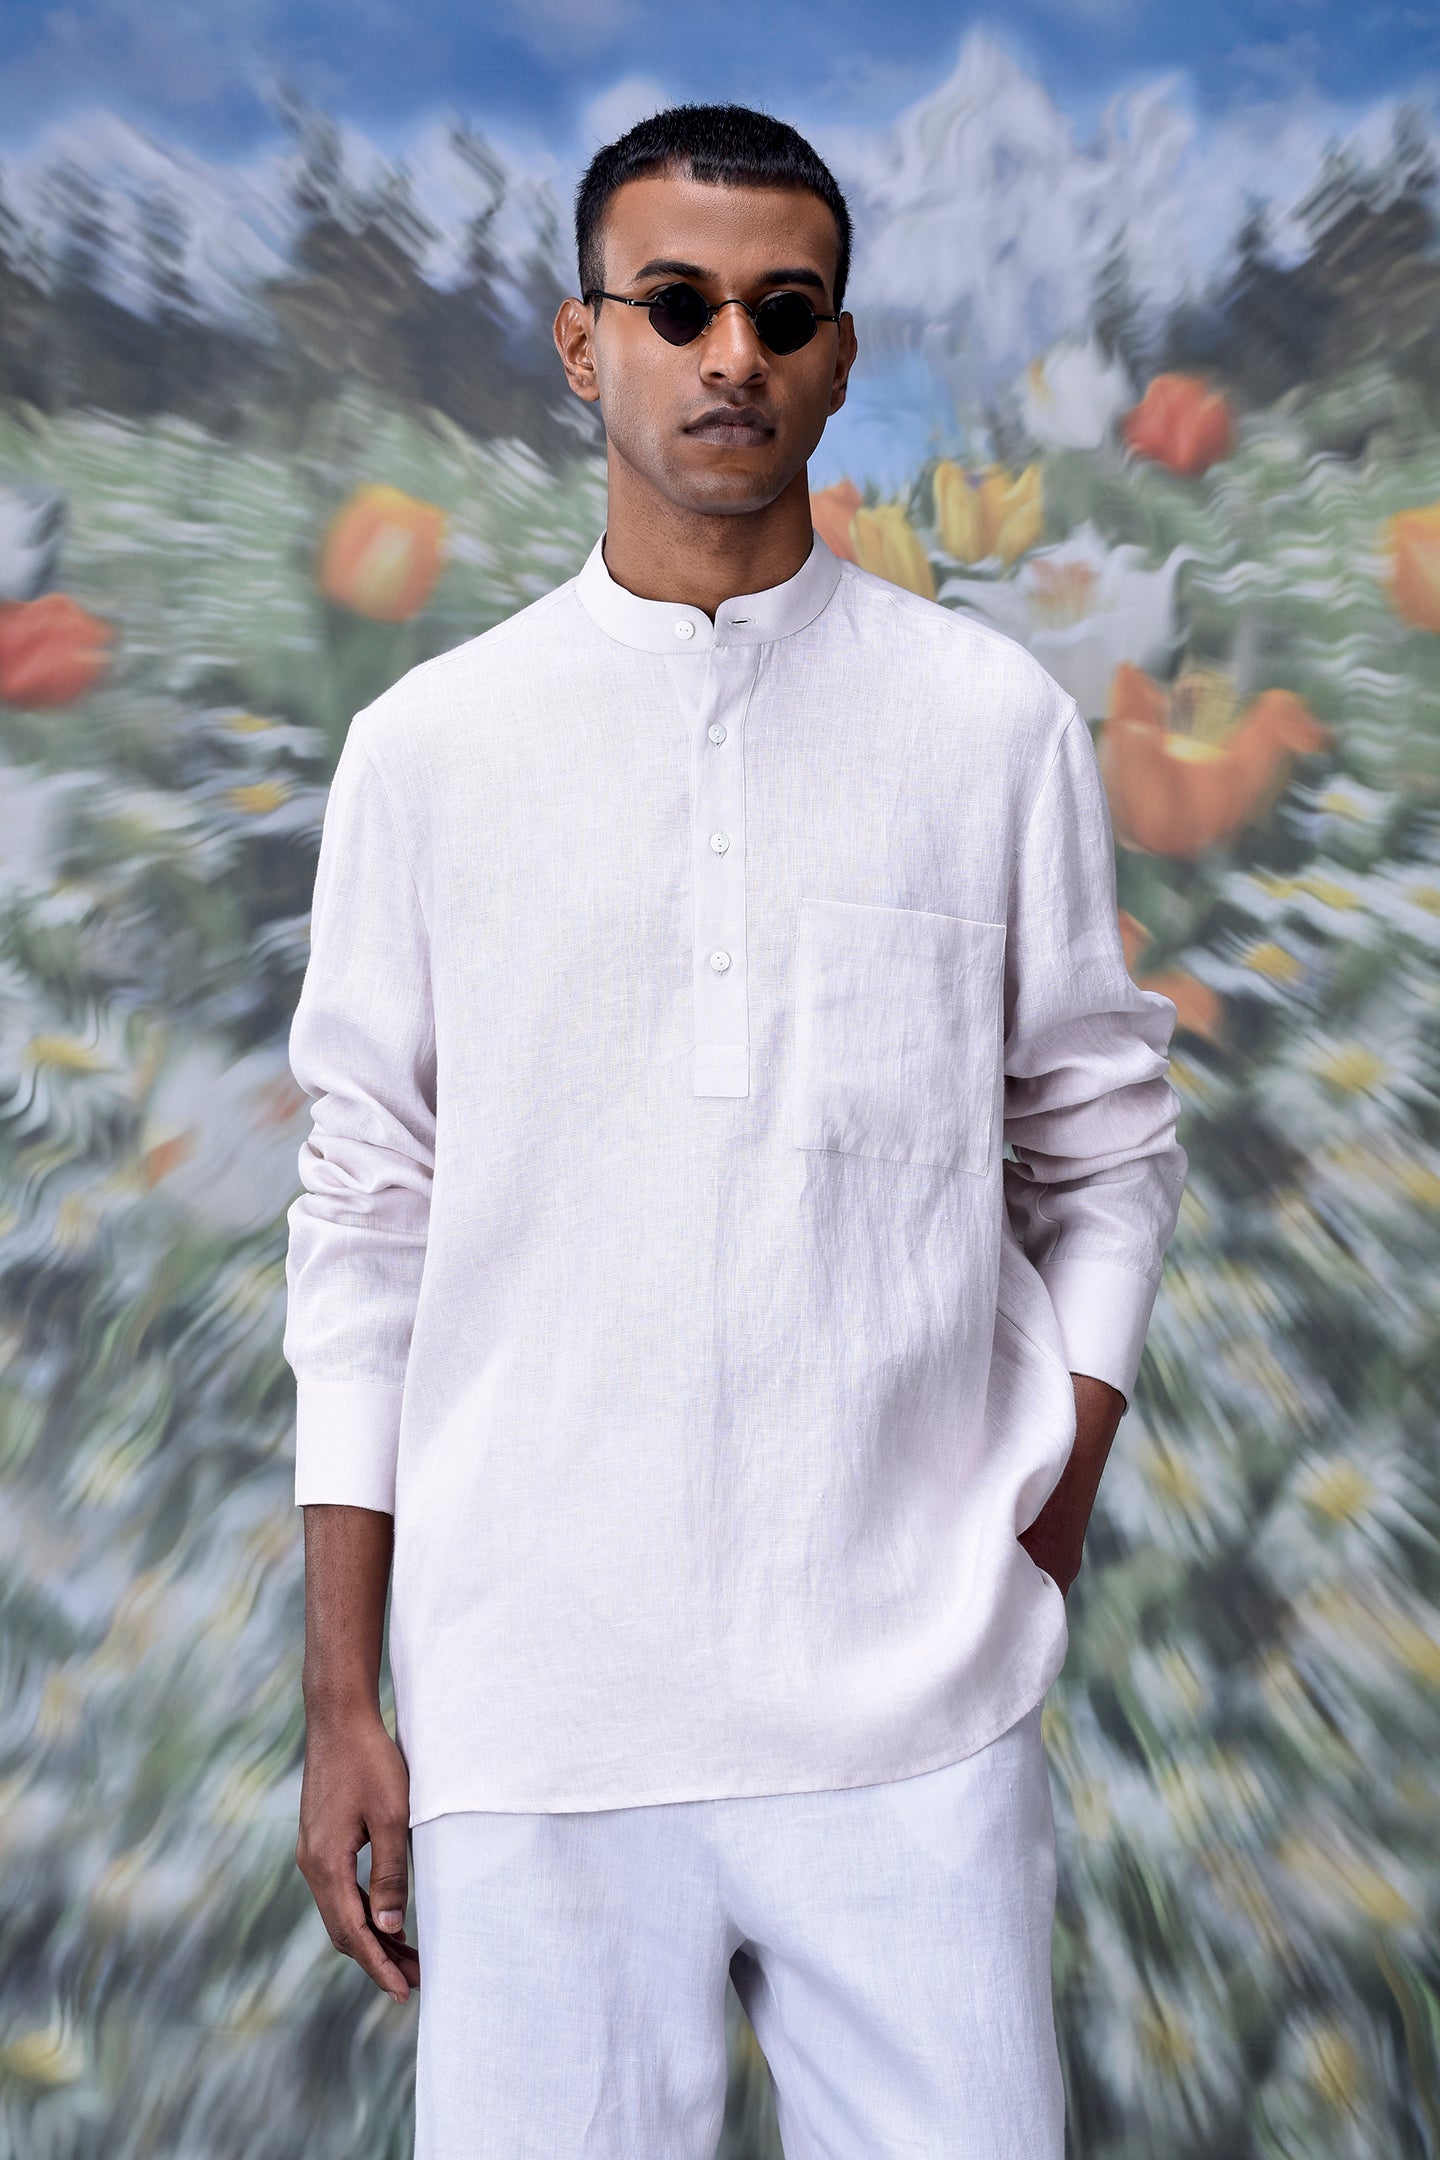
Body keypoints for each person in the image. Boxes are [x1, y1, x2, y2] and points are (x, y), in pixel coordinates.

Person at [284, 100, 1188, 2159]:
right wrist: (346, 1702)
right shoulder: (430, 754)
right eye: (676, 304)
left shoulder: (989, 727)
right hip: (531, 1715)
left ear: (840, 357)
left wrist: (1042, 1509)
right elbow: (364, 1223)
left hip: (915, 1713)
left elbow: (1105, 1146)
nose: (732, 355)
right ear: (581, 342)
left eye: (784, 313)